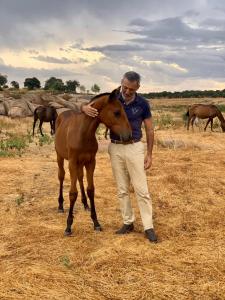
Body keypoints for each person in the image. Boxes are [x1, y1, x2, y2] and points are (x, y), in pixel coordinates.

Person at [82, 71, 157, 243]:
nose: (127, 91)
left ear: (138, 87)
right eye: (125, 87)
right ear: (121, 84)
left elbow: (150, 129)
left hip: (134, 147)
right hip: (115, 148)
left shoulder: (143, 104)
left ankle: (148, 227)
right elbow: (88, 107)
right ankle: (127, 222)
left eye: (131, 89)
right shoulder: (113, 99)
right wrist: (83, 107)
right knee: (122, 189)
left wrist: (150, 154)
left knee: (141, 190)